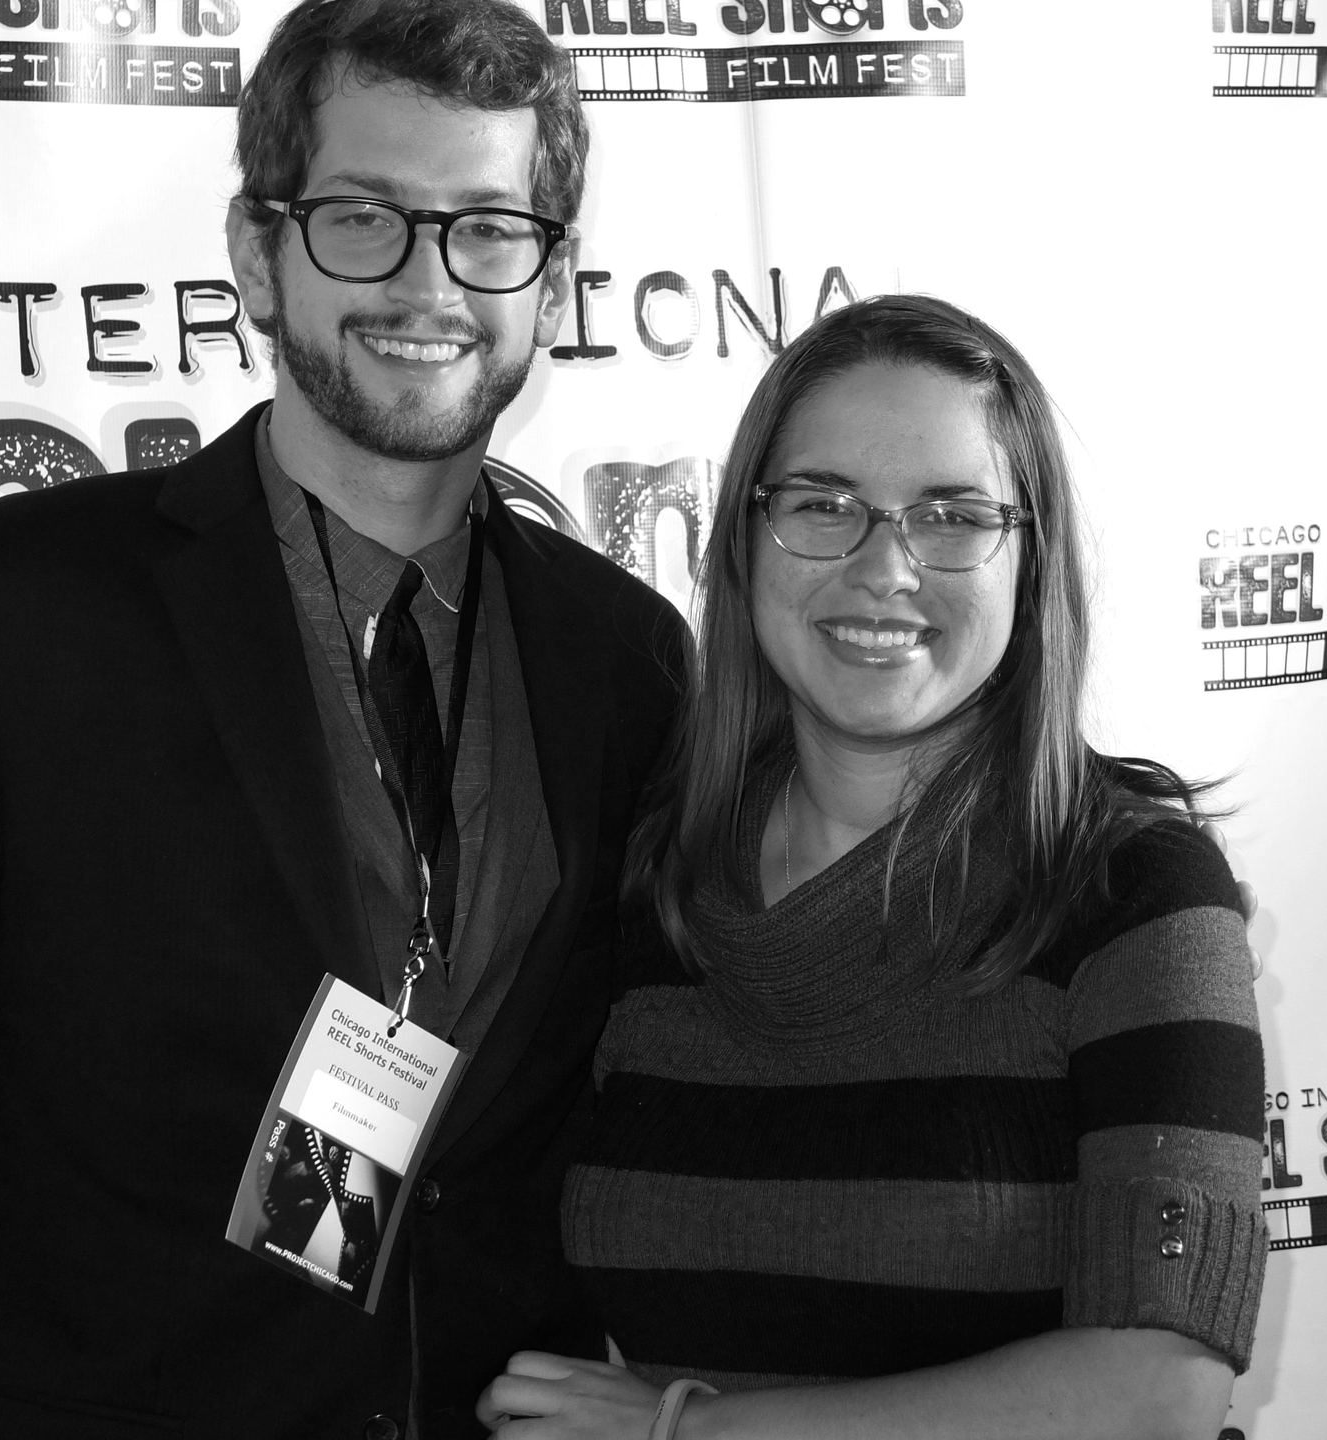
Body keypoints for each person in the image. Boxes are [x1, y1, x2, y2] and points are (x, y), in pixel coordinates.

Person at [0, 1, 684, 1435]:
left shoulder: (629, 658)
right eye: (362, 217)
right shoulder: (6, 617)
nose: (429, 281)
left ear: (553, 275)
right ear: (254, 254)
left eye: (485, 227)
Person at [478, 296, 1268, 1440]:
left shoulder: (1137, 894)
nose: (885, 567)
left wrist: (690, 1435)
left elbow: (1161, 1390)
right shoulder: (657, 880)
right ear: (744, 541)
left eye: (952, 514)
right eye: (823, 505)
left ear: (1028, 561)